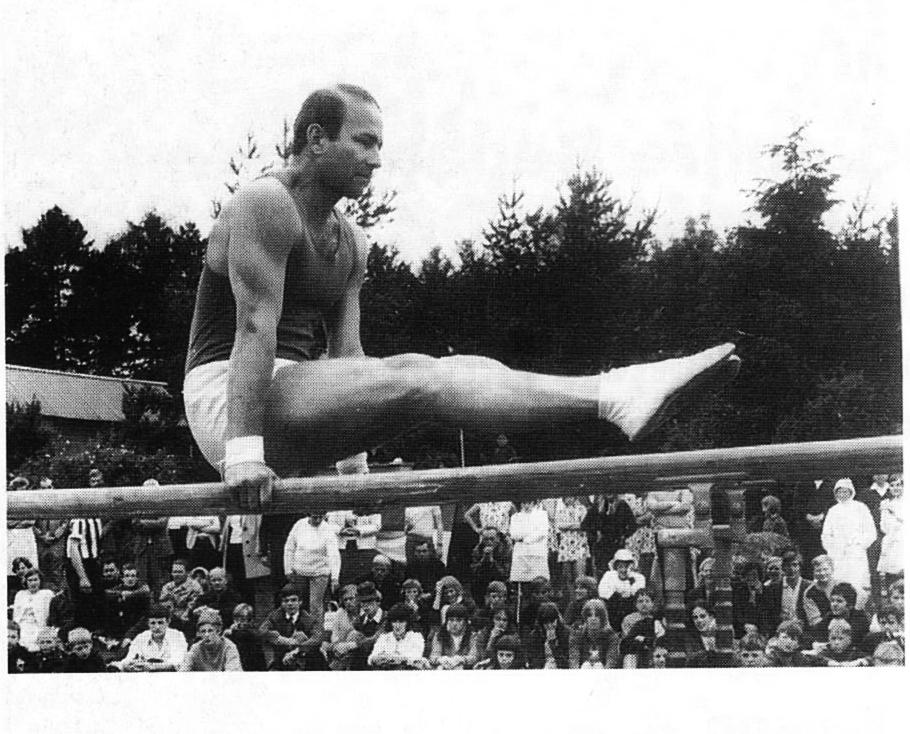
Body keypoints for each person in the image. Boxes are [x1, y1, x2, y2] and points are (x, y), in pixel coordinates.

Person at [181, 83, 740, 512]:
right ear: (316, 139)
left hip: (300, 399)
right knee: (421, 377)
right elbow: (253, 329)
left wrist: (353, 470)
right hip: (231, 403)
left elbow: (348, 359)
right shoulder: (264, 203)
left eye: (380, 145)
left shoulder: (352, 240)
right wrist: (243, 456)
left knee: (453, 371)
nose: (376, 160)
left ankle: (611, 400)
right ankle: (613, 394)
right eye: (364, 142)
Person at [821, 478, 876, 609]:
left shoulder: (860, 508)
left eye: (846, 491)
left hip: (856, 555)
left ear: (851, 492)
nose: (843, 494)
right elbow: (826, 535)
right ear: (835, 493)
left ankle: (858, 612)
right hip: (838, 556)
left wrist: (858, 544)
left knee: (857, 584)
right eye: (839, 492)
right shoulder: (833, 510)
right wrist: (833, 548)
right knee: (839, 583)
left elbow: (871, 532)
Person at [283, 511, 341, 625]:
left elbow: (334, 554)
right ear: (308, 515)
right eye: (315, 517)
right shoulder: (299, 525)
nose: (318, 520)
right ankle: (298, 629)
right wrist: (288, 569)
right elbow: (289, 548)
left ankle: (317, 633)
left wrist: (335, 577)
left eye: (321, 517)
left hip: (320, 572)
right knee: (298, 603)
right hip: (300, 571)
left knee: (315, 605)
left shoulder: (328, 530)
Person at [259, 583, 327, 671]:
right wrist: (280, 639)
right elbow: (261, 631)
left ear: (300, 602)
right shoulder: (275, 616)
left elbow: (317, 638)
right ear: (281, 604)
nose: (290, 604)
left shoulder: (308, 618)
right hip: (281, 661)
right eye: (286, 601)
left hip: (304, 662)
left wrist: (298, 650)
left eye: (293, 600)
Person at [110, 604, 188, 672]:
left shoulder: (177, 636)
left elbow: (177, 663)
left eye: (160, 623)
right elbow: (128, 659)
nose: (157, 627)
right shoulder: (141, 637)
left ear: (168, 622)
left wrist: (150, 667)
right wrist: (128, 665)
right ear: (148, 623)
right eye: (153, 623)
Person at [759, 549, 811, 636]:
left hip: (804, 634)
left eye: (795, 565)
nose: (791, 569)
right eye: (787, 565)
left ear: (800, 567)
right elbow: (766, 614)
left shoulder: (809, 587)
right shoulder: (773, 588)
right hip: (779, 633)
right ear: (783, 568)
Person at [367, 603, 429, 670]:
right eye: (394, 621)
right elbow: (371, 659)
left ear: (408, 622)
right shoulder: (384, 637)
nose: (397, 625)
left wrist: (386, 657)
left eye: (401, 621)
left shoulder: (416, 637)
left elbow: (415, 658)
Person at [32, 477, 69, 591]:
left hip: (57, 543)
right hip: (42, 543)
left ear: (53, 488)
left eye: (49, 487)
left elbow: (66, 521)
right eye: (43, 488)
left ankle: (60, 597)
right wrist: (42, 536)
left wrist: (58, 534)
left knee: (57, 571)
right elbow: (32, 523)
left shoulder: (62, 503)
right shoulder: (34, 504)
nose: (46, 490)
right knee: (42, 572)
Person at [598, 548, 646, 631]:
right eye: (620, 566)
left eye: (627, 566)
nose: (623, 570)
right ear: (616, 567)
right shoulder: (609, 575)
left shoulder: (639, 577)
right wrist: (617, 595)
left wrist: (630, 583)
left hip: (631, 609)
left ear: (631, 566)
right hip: (613, 609)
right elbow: (603, 592)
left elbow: (639, 594)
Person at [568, 598, 620, 669]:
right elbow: (574, 662)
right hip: (581, 674)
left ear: (602, 618)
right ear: (585, 618)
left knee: (598, 666)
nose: (593, 618)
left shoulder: (611, 637)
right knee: (586, 665)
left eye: (597, 615)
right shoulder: (576, 635)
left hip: (604, 675)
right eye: (589, 615)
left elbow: (611, 663)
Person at [13, 567, 55, 651]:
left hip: (39, 626)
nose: (33, 583)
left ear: (40, 581)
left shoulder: (47, 594)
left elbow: (53, 613)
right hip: (22, 626)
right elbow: (15, 615)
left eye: (35, 580)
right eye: (30, 580)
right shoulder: (20, 594)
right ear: (25, 582)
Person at [428, 602, 479, 670]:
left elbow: (474, 656)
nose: (454, 623)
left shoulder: (472, 636)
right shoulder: (439, 635)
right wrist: (440, 659)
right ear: (447, 621)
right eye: (451, 620)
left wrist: (462, 659)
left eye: (459, 620)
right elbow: (433, 657)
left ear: (465, 622)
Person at [555, 496, 589, 591]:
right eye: (566, 497)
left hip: (579, 544)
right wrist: (574, 525)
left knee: (580, 576)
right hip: (565, 545)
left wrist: (568, 526)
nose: (569, 499)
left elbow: (584, 525)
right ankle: (571, 599)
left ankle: (581, 597)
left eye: (571, 497)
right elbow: (559, 526)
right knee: (567, 576)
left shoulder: (582, 509)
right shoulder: (560, 511)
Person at [468, 526, 511, 601]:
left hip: (501, 583)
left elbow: (505, 574)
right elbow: (473, 572)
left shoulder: (506, 549)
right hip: (482, 583)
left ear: (498, 539)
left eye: (492, 539)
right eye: (486, 539)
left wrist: (492, 562)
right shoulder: (477, 550)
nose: (489, 542)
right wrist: (483, 561)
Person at [223, 602, 268, 672]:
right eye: (236, 619)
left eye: (242, 620)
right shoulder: (234, 633)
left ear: (249, 620)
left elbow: (247, 635)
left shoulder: (252, 632)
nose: (238, 623)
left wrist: (232, 632)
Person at [526, 602, 570, 669]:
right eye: (546, 623)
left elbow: (566, 662)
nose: (550, 626)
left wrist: (553, 644)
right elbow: (533, 661)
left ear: (557, 619)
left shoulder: (566, 633)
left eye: (552, 621)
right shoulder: (535, 635)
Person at [877, 474, 903, 588]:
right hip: (891, 543)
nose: (895, 488)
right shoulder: (887, 502)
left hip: (903, 542)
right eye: (892, 486)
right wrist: (885, 511)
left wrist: (893, 511)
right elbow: (884, 527)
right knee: (890, 578)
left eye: (898, 485)